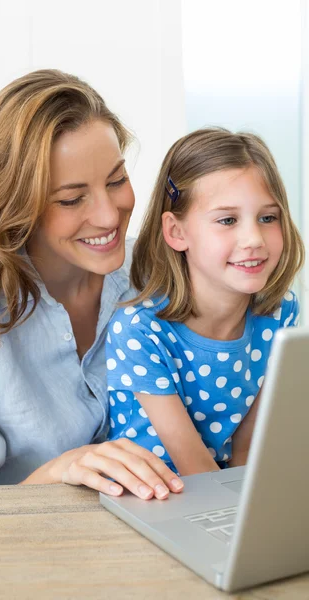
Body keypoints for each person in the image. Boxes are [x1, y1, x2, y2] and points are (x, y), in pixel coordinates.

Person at [0, 69, 184, 499]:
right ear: (16, 205)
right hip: (25, 558)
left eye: (116, 180)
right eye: (72, 199)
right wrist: (62, 469)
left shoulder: (152, 273)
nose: (110, 216)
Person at [106, 127, 304, 475]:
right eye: (227, 220)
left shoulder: (279, 313)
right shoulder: (140, 329)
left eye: (268, 218)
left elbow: (248, 453)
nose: (254, 238)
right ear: (176, 232)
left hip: (223, 493)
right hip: (155, 496)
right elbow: (193, 465)